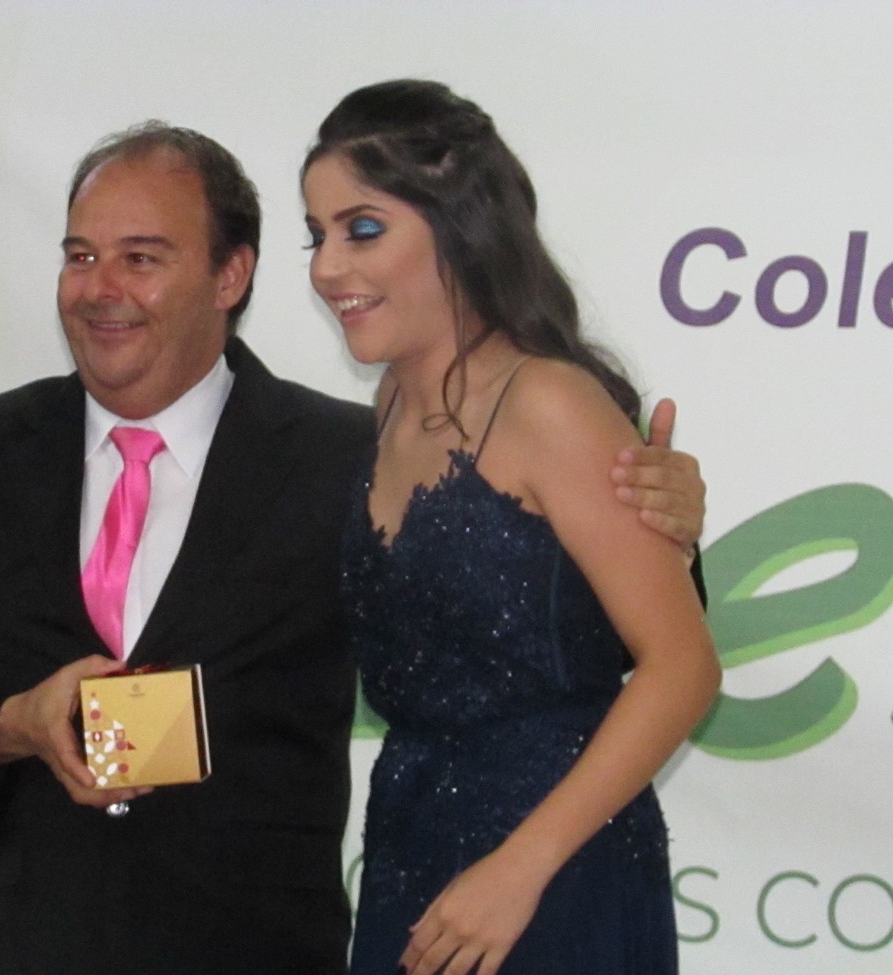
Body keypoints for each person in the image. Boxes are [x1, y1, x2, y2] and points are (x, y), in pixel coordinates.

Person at [0, 121, 706, 975]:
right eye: (81, 255)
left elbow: (550, 619)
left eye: (142, 258)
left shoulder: (351, 456)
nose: (101, 288)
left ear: (231, 275)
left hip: (264, 949)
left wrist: (662, 520)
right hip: (22, 950)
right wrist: (15, 724)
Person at [301, 80, 722, 975]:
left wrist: (520, 868)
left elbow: (683, 667)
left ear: (456, 226)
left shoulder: (550, 403)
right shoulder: (390, 401)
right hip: (410, 853)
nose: (328, 267)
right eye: (318, 235)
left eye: (362, 229)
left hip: (556, 874)